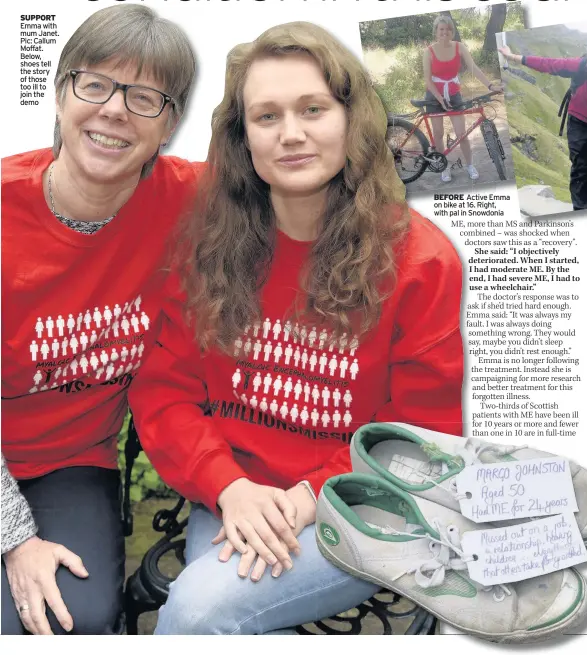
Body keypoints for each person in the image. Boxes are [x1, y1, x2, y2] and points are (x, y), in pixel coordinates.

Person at [127, 21, 464, 634]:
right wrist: (228, 486)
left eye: (313, 109)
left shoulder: (420, 261)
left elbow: (420, 437)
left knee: (202, 611)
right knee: (210, 609)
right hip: (236, 493)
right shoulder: (208, 246)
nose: (292, 134)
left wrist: (309, 494)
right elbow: (163, 392)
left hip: (360, 507)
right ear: (243, 137)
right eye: (267, 117)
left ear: (351, 120)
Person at [1, 5, 197, 634]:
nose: (115, 109)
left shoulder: (190, 200)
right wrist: (17, 540)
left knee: (69, 621)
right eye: (95, 84)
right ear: (61, 95)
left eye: (146, 97)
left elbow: (309, 179)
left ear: (168, 124)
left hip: (70, 460)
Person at [500, 34, 587, 210]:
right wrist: (513, 57)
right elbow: (548, 64)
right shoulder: (578, 66)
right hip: (578, 125)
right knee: (580, 171)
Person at [424, 15, 503, 182]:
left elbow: (473, 68)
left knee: (462, 134)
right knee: (438, 133)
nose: (445, 32)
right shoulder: (428, 52)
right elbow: (428, 80)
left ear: (452, 31)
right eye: (441, 29)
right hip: (434, 96)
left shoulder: (460, 47)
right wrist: (439, 99)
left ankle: (469, 165)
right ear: (436, 32)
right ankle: (444, 166)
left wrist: (490, 86)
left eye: (448, 29)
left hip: (453, 93)